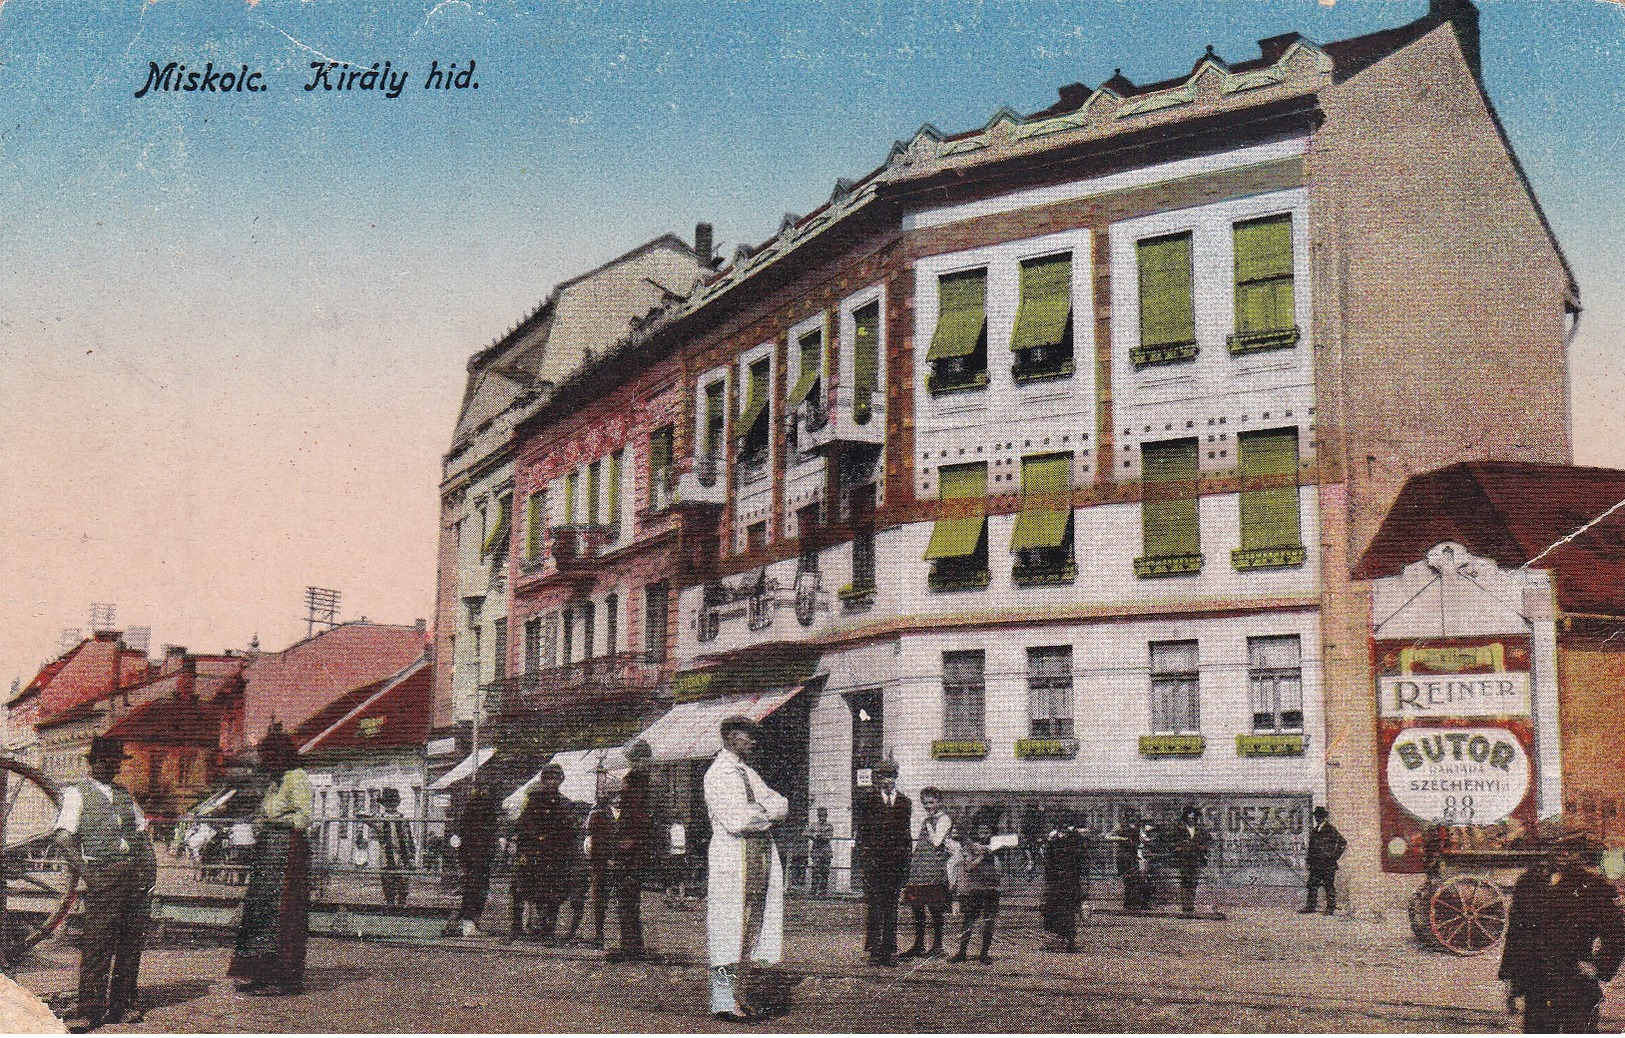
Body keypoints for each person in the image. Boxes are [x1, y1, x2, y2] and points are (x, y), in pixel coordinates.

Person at [53, 736, 157, 1032]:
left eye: (114, 762)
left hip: (134, 875)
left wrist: (150, 874)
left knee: (130, 943)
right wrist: (88, 874)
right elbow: (62, 837)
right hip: (103, 873)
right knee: (97, 944)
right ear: (92, 762)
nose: (109, 767)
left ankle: (122, 1005)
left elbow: (141, 833)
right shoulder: (77, 794)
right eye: (103, 761)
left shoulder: (124, 795)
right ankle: (90, 1009)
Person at [704, 715, 788, 1022]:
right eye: (746, 735)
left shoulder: (747, 772)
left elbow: (782, 803)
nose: (753, 741)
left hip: (758, 857)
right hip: (732, 859)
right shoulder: (718, 773)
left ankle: (739, 995)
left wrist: (763, 811)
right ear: (730, 737)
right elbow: (738, 820)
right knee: (728, 931)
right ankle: (724, 1000)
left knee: (751, 929)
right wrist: (767, 813)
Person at [1499, 831, 1625, 1033]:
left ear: (1582, 854)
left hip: (1577, 986)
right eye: (1559, 848)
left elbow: (1617, 936)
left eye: (1572, 850)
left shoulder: (1595, 888)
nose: (1564, 854)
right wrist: (1511, 981)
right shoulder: (1528, 884)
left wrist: (1598, 967)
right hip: (1537, 986)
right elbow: (1516, 935)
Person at [228, 725, 314, 997]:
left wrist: (275, 821)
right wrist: (258, 823)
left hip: (289, 850)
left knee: (283, 910)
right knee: (260, 907)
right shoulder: (275, 782)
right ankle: (259, 971)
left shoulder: (296, 777)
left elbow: (303, 818)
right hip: (268, 851)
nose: (265, 764)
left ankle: (286, 974)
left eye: (268, 758)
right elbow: (265, 811)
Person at [509, 763, 582, 944]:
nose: (552, 782)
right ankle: (516, 928)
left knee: (552, 894)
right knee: (520, 890)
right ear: (543, 779)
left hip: (553, 856)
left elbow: (570, 831)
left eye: (556, 779)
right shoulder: (534, 801)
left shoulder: (564, 803)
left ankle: (547, 931)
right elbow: (521, 825)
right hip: (532, 854)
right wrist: (532, 839)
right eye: (549, 778)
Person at [855, 760, 911, 966]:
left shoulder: (905, 802)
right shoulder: (868, 801)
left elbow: (906, 835)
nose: (887, 781)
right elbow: (862, 834)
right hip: (874, 864)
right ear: (878, 780)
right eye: (883, 777)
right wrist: (863, 862)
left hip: (895, 864)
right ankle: (875, 951)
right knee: (875, 907)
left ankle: (889, 950)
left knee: (892, 908)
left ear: (895, 778)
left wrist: (906, 867)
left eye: (891, 777)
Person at [607, 739, 657, 961]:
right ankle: (631, 944)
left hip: (637, 849)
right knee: (626, 898)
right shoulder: (635, 781)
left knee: (628, 896)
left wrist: (632, 839)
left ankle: (632, 947)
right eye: (633, 760)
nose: (637, 764)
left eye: (638, 759)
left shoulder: (644, 784)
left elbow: (645, 818)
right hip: (629, 847)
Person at [900, 787, 955, 959]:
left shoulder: (944, 819)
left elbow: (937, 842)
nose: (928, 806)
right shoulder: (927, 820)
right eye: (925, 803)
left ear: (939, 802)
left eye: (931, 802)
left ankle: (937, 946)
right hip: (920, 868)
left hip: (933, 869)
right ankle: (919, 944)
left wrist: (930, 824)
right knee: (917, 908)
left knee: (935, 908)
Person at [453, 771, 501, 937]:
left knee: (478, 888)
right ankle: (468, 924)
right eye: (484, 786)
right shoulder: (479, 805)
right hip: (476, 852)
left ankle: (471, 922)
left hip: (478, 852)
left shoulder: (477, 805)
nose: (486, 789)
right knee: (475, 888)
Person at [950, 821, 1001, 964]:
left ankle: (984, 953)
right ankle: (962, 951)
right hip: (974, 888)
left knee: (989, 921)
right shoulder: (970, 847)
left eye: (987, 832)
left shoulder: (996, 848)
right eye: (981, 832)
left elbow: (999, 869)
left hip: (991, 887)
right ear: (976, 833)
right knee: (969, 920)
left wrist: (991, 853)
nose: (984, 835)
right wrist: (982, 856)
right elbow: (968, 867)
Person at [1041, 816, 1088, 952]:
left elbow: (1080, 858)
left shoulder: (1074, 838)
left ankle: (1069, 941)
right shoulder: (1053, 839)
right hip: (1056, 880)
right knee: (1053, 910)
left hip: (1069, 879)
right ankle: (1056, 941)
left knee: (1069, 911)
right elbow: (1047, 859)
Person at [371, 787, 415, 907]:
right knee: (388, 883)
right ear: (384, 804)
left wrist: (411, 855)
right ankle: (390, 905)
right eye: (388, 802)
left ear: (397, 803)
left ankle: (401, 906)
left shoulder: (403, 818)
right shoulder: (380, 818)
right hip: (387, 855)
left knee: (403, 885)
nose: (391, 805)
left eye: (393, 802)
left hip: (402, 855)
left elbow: (409, 838)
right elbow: (363, 817)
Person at [1300, 806, 1347, 915]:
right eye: (1317, 816)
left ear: (1324, 817)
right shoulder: (1315, 830)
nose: (1318, 818)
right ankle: (1310, 907)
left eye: (1320, 816)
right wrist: (1308, 861)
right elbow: (1311, 848)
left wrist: (1333, 856)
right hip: (1315, 864)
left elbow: (1342, 843)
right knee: (1312, 885)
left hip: (1327, 864)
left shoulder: (1330, 829)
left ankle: (1330, 908)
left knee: (1328, 885)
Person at [1171, 806, 1212, 916]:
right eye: (1189, 818)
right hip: (1184, 860)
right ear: (1185, 818)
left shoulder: (1200, 830)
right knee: (1185, 882)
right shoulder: (1179, 829)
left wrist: (1203, 848)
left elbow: (1208, 840)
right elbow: (1174, 843)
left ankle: (1190, 904)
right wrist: (1180, 848)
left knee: (1194, 882)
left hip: (1196, 859)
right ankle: (1186, 906)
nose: (1191, 820)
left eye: (1193, 818)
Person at [1106, 810, 1146, 910]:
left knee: (1135, 878)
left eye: (1135, 816)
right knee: (1128, 879)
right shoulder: (1120, 827)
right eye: (1131, 816)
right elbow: (1108, 837)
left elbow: (1141, 839)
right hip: (1123, 856)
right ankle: (1128, 903)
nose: (1133, 818)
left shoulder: (1137, 827)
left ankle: (1133, 902)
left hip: (1133, 855)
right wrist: (1121, 839)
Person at [805, 807, 833, 899]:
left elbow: (828, 837)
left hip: (826, 851)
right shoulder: (814, 825)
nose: (822, 817)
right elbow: (805, 833)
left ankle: (822, 893)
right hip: (816, 851)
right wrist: (814, 835)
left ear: (827, 816)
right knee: (816, 871)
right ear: (817, 816)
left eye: (824, 815)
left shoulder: (829, 826)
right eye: (820, 815)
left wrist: (820, 836)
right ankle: (813, 892)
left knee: (825, 872)